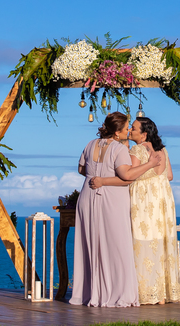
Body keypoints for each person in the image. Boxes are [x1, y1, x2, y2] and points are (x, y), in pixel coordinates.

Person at [70, 111, 163, 307]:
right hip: (111, 199)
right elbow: (126, 176)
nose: (128, 131)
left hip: (87, 197)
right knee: (118, 247)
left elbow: (81, 169)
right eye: (126, 128)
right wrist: (150, 164)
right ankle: (117, 293)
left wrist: (97, 175)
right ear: (117, 132)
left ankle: (90, 293)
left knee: (91, 246)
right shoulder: (119, 149)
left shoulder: (90, 144)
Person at [89, 116, 180, 304]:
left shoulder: (137, 150)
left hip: (144, 199)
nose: (130, 130)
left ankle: (145, 291)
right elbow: (169, 176)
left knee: (141, 241)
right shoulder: (162, 150)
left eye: (133, 128)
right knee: (160, 241)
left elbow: (129, 175)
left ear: (144, 134)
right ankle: (162, 294)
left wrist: (104, 180)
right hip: (163, 199)